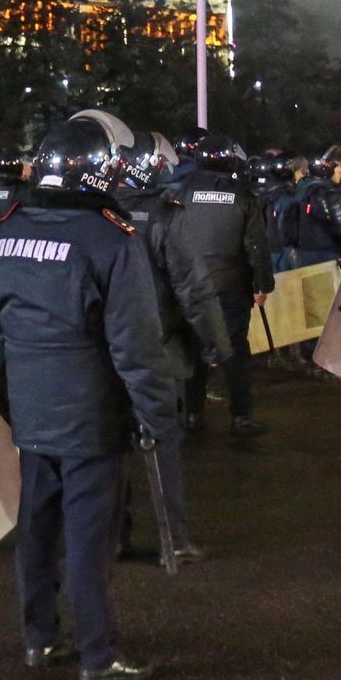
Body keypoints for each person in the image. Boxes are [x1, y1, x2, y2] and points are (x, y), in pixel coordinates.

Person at [0, 115, 180, 680]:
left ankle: (39, 637)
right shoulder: (109, 239)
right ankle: (98, 654)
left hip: (31, 403)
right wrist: (156, 416)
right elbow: (136, 343)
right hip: (90, 408)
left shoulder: (7, 230)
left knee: (37, 527)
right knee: (90, 537)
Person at [114, 129, 227, 565]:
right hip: (159, 350)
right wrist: (216, 346)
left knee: (111, 449)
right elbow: (194, 290)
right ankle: (173, 540)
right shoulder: (166, 217)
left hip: (109, 351)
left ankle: (115, 534)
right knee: (162, 447)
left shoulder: (99, 213)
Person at [176, 133, 274, 438]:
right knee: (233, 350)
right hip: (232, 283)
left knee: (194, 349)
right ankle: (241, 416)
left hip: (192, 282)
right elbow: (256, 245)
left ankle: (192, 413)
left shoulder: (182, 191)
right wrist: (263, 284)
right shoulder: (243, 194)